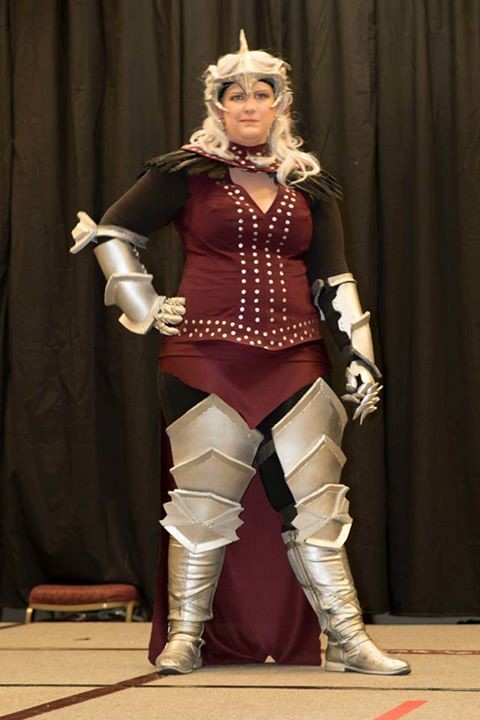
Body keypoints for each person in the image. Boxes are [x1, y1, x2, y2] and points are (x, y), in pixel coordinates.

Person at [70, 31, 410, 676]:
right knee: (202, 502)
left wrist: (360, 356)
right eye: (236, 95)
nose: (249, 104)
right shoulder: (185, 172)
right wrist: (145, 306)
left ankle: (348, 638)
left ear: (281, 104)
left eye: (261, 93)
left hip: (296, 354)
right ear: (218, 105)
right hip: (204, 356)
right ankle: (186, 638)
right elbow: (111, 231)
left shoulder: (309, 183)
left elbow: (334, 276)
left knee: (318, 502)